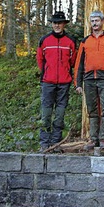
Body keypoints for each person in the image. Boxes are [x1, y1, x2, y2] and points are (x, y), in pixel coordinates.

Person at [74, 10, 104, 150]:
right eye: (93, 21)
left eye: (97, 20)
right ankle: (93, 139)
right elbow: (79, 63)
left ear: (102, 22)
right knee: (92, 110)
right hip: (89, 79)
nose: (95, 23)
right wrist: (78, 83)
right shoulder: (85, 41)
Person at [36, 11, 77, 152]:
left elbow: (73, 61)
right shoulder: (44, 40)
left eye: (59, 23)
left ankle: (56, 143)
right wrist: (47, 71)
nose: (57, 25)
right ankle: (44, 143)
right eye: (55, 23)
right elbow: (40, 60)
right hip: (48, 81)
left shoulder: (70, 41)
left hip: (64, 82)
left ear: (64, 24)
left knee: (60, 114)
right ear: (52, 24)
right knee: (46, 114)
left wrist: (65, 71)